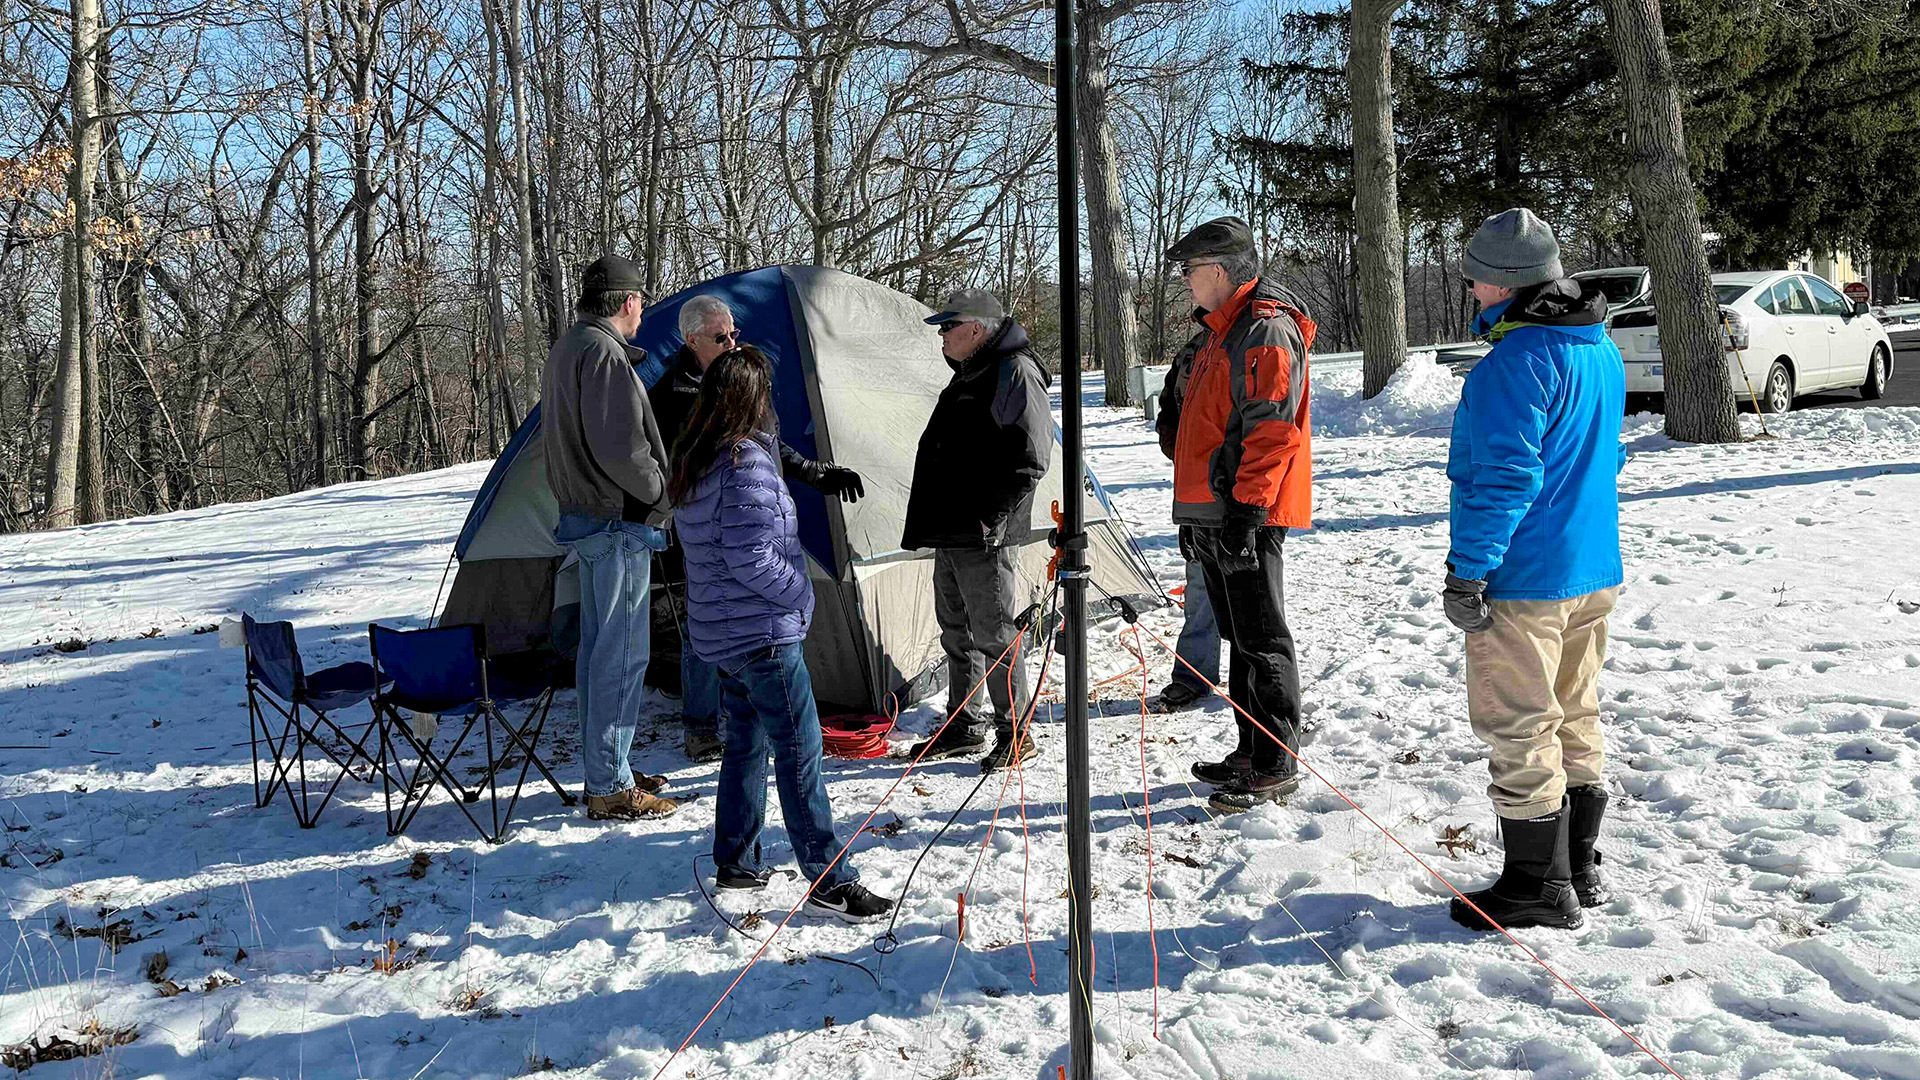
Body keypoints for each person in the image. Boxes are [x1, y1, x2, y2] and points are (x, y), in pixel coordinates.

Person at [1443, 208, 1624, 932]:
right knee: (1574, 714)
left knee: (1519, 724)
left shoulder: (1511, 367)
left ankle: (1535, 886)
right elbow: (1604, 459)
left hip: (1525, 579)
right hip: (1591, 567)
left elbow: (1504, 480)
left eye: (1479, 281)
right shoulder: (1597, 349)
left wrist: (1468, 572)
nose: (1475, 293)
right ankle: (1578, 867)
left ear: (1508, 285)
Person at [671, 345, 894, 922]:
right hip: (761, 634)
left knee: (746, 745)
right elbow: (750, 558)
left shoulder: (701, 455)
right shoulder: (741, 463)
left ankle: (737, 861)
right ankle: (828, 878)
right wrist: (802, 594)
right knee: (799, 750)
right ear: (751, 399)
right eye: (765, 392)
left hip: (729, 633)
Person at [651, 294, 865, 763]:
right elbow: (671, 469)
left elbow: (769, 444)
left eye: (734, 334)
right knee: (708, 621)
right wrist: (801, 592)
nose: (730, 343)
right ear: (691, 341)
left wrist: (814, 472)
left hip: (758, 519)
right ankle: (700, 725)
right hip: (710, 532)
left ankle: (739, 725)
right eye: (719, 337)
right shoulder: (672, 396)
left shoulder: (741, 379)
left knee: (745, 631)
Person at [1164, 217, 1316, 814]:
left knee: (1261, 636)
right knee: (1236, 637)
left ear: (1220, 272)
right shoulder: (1217, 333)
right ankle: (1251, 748)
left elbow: (1272, 429)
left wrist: (1247, 512)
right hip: (1214, 512)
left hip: (1246, 511)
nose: (1185, 281)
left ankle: (1276, 760)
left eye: (1190, 270)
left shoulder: (1264, 330)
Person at [542, 254, 679, 821]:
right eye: (641, 301)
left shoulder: (570, 346)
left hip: (588, 517)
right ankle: (609, 784)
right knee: (621, 655)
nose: (642, 311)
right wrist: (664, 496)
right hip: (616, 521)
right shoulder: (601, 351)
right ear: (627, 302)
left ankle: (610, 764)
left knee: (599, 652)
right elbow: (621, 445)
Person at [902, 288, 1052, 774]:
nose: (942, 336)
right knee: (956, 632)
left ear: (975, 328)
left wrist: (991, 517)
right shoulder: (973, 372)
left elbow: (1029, 457)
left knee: (995, 635)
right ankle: (961, 726)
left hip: (983, 533)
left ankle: (1016, 731)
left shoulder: (1013, 371)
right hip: (952, 529)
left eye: (948, 327)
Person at [1146, 311, 1222, 714]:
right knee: (1199, 584)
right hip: (1195, 491)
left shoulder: (1255, 338)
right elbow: (1168, 409)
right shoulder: (1193, 350)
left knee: (1252, 596)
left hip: (1243, 491)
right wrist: (1180, 447)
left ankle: (1259, 688)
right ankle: (1194, 675)